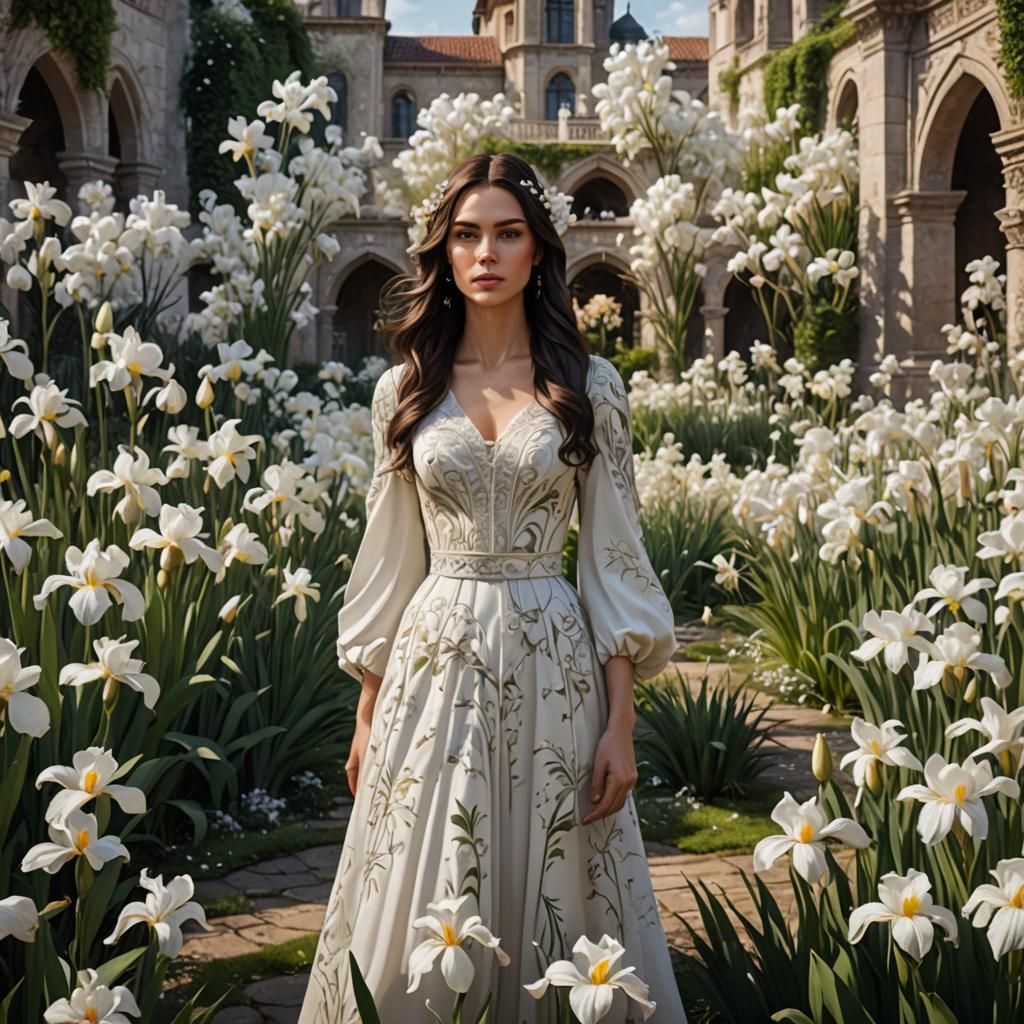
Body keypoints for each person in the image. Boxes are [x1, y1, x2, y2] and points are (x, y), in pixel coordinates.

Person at [297, 152, 687, 1023]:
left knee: (555, 883)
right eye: (467, 234)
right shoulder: (405, 389)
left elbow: (615, 563)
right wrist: (365, 711)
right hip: (431, 664)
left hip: (555, 657)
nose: (487, 252)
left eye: (508, 234)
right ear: (445, 252)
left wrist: (621, 725)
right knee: (426, 873)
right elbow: (390, 557)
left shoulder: (591, 389)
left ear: (539, 251)